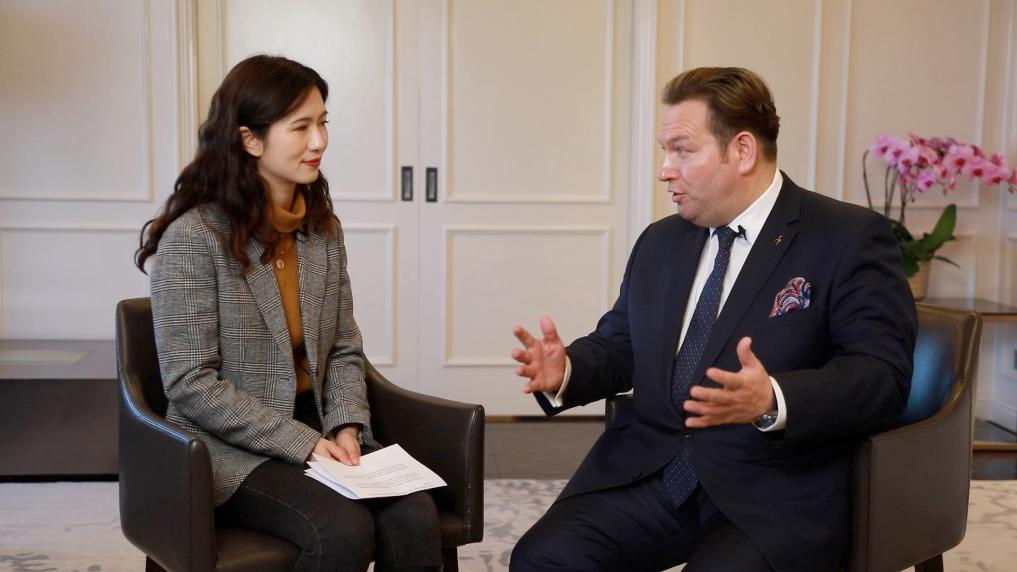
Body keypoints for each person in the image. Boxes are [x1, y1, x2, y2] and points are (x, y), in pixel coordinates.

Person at [508, 67, 916, 571]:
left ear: (741, 150)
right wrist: (566, 369)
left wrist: (773, 399)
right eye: (665, 151)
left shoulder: (846, 237)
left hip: (772, 490)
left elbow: (881, 375)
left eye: (682, 151)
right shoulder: (661, 241)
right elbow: (624, 345)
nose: (664, 170)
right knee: (543, 559)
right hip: (654, 471)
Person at [135, 54, 441, 572]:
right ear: (250, 140)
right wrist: (304, 444)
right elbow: (190, 382)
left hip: (317, 422)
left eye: (323, 122)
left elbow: (343, 347)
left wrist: (346, 425)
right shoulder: (194, 237)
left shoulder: (322, 230)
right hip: (226, 446)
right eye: (300, 127)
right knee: (340, 529)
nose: (319, 141)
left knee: (415, 518)